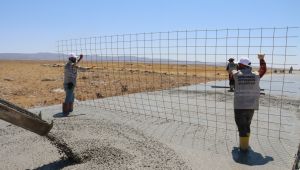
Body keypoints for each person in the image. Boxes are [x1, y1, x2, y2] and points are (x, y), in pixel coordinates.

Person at [232, 54, 267, 152]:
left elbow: (233, 70)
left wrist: (236, 66)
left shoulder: (236, 74)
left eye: (239, 64)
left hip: (239, 106)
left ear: (242, 65)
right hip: (251, 106)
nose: (237, 65)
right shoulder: (256, 75)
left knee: (241, 126)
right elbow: (263, 70)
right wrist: (261, 59)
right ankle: (245, 144)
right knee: (247, 124)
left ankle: (243, 148)